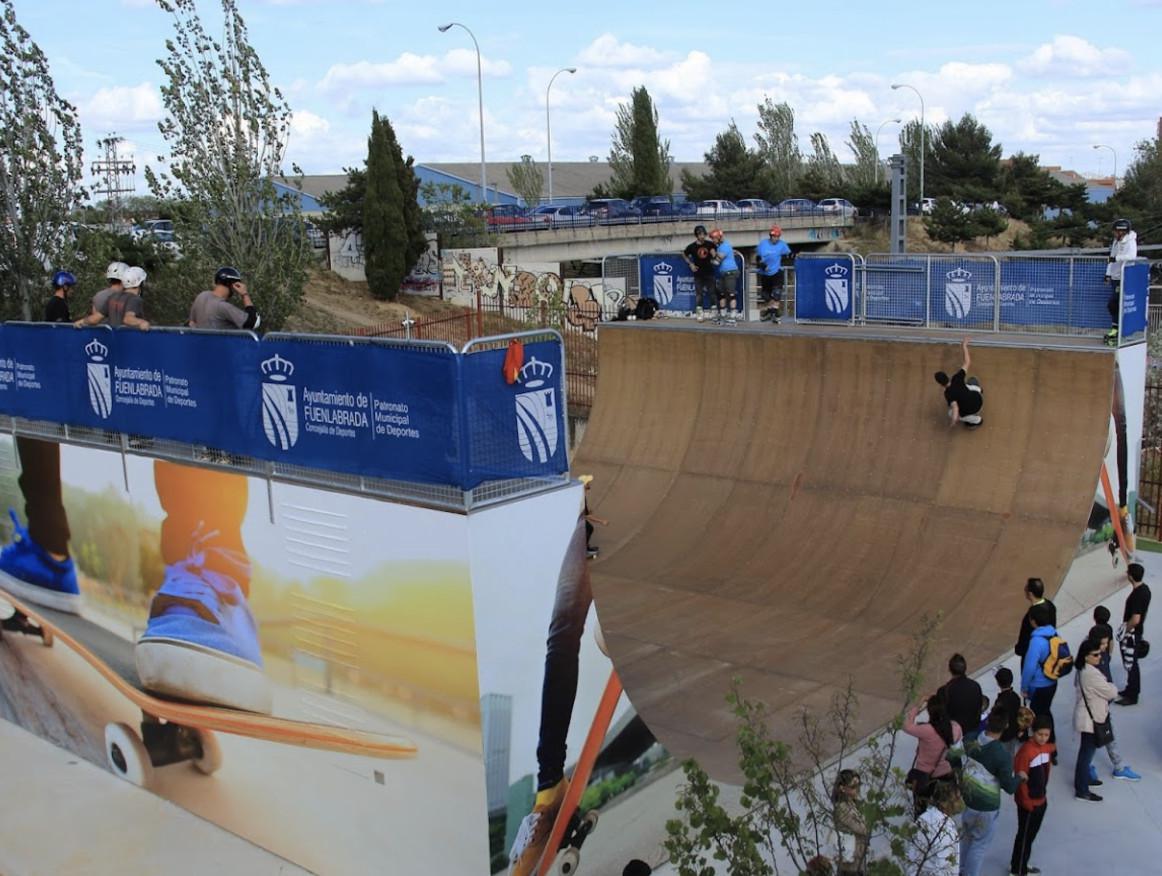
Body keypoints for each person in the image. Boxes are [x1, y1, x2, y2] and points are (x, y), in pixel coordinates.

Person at [509, 486, 594, 876]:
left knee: (563, 631)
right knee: (562, 630)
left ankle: (549, 789)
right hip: (595, 515)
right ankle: (549, 789)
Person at [0, 273, 83, 610]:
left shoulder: (57, 303)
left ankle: (50, 553)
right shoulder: (56, 305)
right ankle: (49, 550)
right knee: (35, 438)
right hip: (49, 374)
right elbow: (58, 336)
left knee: (37, 439)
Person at [958, 710, 1020, 876]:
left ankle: (960, 870)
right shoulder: (1002, 755)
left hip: (968, 799)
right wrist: (1020, 777)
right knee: (979, 846)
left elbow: (954, 758)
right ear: (1006, 725)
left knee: (965, 839)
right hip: (987, 807)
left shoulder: (969, 738)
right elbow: (1009, 787)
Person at [1083, 624, 1140, 782]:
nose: (1106, 646)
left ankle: (1116, 766)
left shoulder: (1100, 655)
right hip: (1096, 708)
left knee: (1105, 736)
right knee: (1096, 740)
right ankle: (1098, 767)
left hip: (1102, 706)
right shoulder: (1091, 661)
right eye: (1103, 643)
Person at [1073, 638, 1118, 801]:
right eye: (1096, 654)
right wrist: (1112, 686)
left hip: (1088, 717)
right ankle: (1082, 788)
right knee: (1086, 753)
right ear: (1086, 656)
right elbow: (1111, 692)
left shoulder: (1083, 669)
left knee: (1087, 752)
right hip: (1091, 720)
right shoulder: (1091, 674)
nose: (1100, 657)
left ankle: (1085, 780)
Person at [904, 693, 962, 818]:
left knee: (920, 810)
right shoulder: (956, 728)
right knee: (945, 808)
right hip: (946, 774)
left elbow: (906, 725)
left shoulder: (926, 730)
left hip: (924, 776)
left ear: (930, 712)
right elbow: (957, 751)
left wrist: (918, 705)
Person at [1010, 714, 1054, 876]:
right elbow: (1020, 780)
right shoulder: (1026, 752)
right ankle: (1017, 870)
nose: (1043, 738)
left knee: (1029, 837)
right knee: (1024, 837)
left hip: (1041, 800)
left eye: (1046, 735)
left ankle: (1021, 864)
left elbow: (1047, 768)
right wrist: (1026, 802)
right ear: (1033, 732)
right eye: (1040, 734)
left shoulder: (1046, 749)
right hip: (1029, 804)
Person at [1020, 601, 1059, 751]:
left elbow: (1029, 667)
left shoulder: (1036, 641)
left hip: (1038, 685)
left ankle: (1044, 745)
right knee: (1046, 711)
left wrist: (1024, 687)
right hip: (1052, 682)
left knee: (1039, 716)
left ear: (1033, 621)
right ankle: (1051, 744)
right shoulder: (1054, 634)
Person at [904, 779, 962, 876]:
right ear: (945, 802)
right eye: (957, 799)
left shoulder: (923, 818)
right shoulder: (945, 829)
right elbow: (944, 866)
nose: (960, 803)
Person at [1116, 561, 1150, 706]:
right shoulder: (1145, 589)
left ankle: (1132, 695)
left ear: (1131, 576)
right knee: (1132, 663)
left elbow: (1135, 619)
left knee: (1131, 664)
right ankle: (1130, 689)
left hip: (1132, 634)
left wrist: (1125, 630)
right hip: (1137, 632)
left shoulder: (1137, 595)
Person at [188, 265, 261, 331]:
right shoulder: (223, 306)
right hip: (221, 345)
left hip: (200, 344)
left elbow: (191, 322)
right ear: (233, 285)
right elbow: (253, 323)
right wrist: (245, 294)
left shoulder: (202, 296)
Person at [77, 265, 150, 330]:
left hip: (114, 341)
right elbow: (128, 319)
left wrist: (82, 321)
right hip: (129, 341)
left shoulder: (113, 297)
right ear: (140, 283)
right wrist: (142, 322)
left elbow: (95, 318)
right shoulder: (135, 299)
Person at [933, 337, 982, 427]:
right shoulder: (957, 378)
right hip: (978, 399)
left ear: (940, 384)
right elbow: (967, 362)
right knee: (967, 385)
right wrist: (964, 346)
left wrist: (954, 420)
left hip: (973, 409)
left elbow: (955, 408)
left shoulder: (948, 394)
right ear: (947, 376)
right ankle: (979, 389)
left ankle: (977, 420)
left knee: (950, 413)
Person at [1104, 218, 1138, 344]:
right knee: (1114, 305)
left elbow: (1131, 257)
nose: (1114, 233)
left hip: (1123, 277)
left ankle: (1119, 330)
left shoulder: (1130, 242)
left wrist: (1116, 258)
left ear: (1121, 231)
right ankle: (1115, 329)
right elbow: (1110, 258)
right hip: (1115, 277)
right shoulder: (1116, 241)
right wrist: (1108, 274)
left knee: (1115, 304)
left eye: (1115, 231)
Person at [832, 769, 868, 876]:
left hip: (857, 859)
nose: (857, 790)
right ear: (842, 788)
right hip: (850, 864)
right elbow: (863, 829)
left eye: (858, 785)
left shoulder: (852, 803)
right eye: (853, 787)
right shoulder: (842, 808)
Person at [938, 653, 983, 738]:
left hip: (955, 735)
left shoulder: (944, 691)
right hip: (973, 731)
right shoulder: (975, 685)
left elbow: (941, 715)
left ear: (950, 669)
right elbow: (979, 706)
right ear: (965, 669)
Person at [682, 225, 719, 324]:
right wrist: (691, 264)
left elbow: (715, 254)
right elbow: (684, 254)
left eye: (703, 234)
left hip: (709, 272)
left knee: (712, 293)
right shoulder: (692, 246)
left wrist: (714, 254)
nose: (702, 236)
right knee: (699, 294)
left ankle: (714, 312)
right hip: (698, 274)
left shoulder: (709, 244)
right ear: (696, 236)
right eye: (700, 235)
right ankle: (699, 313)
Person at [755, 225, 792, 323]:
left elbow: (788, 254)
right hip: (765, 273)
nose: (776, 239)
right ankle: (770, 311)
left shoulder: (782, 245)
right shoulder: (763, 244)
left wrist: (794, 256)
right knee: (765, 295)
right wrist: (762, 265)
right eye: (774, 237)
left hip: (776, 272)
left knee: (777, 294)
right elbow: (758, 258)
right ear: (770, 236)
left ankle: (775, 314)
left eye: (777, 237)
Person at [1015, 577, 1056, 660]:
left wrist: (1019, 650)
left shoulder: (1031, 616)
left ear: (1030, 593)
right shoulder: (1050, 605)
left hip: (1031, 655)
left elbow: (1025, 638)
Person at [709, 228, 739, 324]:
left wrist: (713, 255)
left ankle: (733, 316)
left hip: (730, 272)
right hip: (723, 273)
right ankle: (723, 315)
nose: (713, 240)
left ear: (719, 237)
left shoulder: (725, 246)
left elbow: (717, 261)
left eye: (714, 238)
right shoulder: (720, 247)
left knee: (731, 294)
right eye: (712, 238)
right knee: (721, 294)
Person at [993, 666, 1023, 754]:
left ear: (998, 683)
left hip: (1004, 735)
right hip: (1014, 731)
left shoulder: (1000, 701)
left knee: (1004, 754)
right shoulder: (1016, 697)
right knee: (1011, 752)